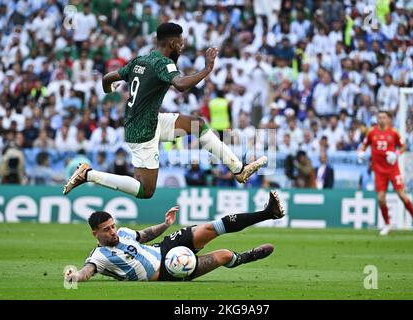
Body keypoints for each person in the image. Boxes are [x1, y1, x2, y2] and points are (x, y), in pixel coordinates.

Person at [63, 22, 266, 199]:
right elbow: (180, 84)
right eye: (181, 43)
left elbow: (107, 78)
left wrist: (109, 90)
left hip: (149, 120)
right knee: (146, 191)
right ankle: (88, 174)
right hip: (143, 132)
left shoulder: (139, 60)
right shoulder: (163, 63)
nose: (182, 46)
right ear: (172, 44)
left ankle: (238, 170)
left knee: (197, 124)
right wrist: (206, 69)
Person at [64, 191, 284, 282]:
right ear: (95, 233)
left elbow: (144, 235)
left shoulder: (122, 233)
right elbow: (87, 271)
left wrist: (165, 224)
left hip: (164, 248)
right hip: (167, 271)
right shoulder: (99, 256)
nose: (112, 231)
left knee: (210, 228)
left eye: (112, 226)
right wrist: (74, 278)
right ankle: (245, 258)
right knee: (225, 255)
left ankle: (268, 213)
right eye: (107, 229)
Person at [357, 110, 413, 235]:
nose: (381, 119)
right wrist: (360, 153)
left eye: (384, 117)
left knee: (402, 195)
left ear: (388, 119)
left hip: (393, 169)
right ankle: (388, 224)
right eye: (379, 117)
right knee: (381, 198)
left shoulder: (394, 133)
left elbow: (403, 146)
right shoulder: (371, 132)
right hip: (379, 171)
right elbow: (364, 146)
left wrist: (396, 154)